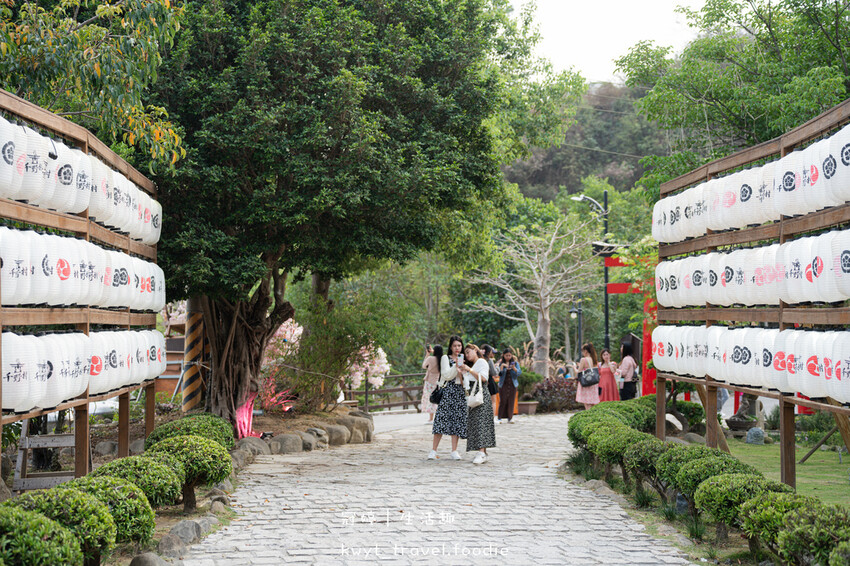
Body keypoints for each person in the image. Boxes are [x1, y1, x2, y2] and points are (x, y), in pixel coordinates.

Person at [429, 336, 468, 460]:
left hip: (459, 391)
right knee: (441, 419)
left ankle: (454, 450)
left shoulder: (463, 359)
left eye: (459, 346)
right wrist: (455, 367)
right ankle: (433, 450)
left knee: (457, 420)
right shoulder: (446, 358)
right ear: (451, 347)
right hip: (448, 391)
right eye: (455, 346)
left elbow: (464, 380)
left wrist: (462, 372)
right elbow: (446, 375)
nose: (457, 348)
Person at [460, 344, 495, 464]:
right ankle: (482, 452)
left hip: (481, 395)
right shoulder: (474, 365)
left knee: (481, 423)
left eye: (468, 352)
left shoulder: (481, 362)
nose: (467, 355)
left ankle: (481, 452)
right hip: (474, 395)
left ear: (475, 350)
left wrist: (469, 370)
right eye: (466, 353)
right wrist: (463, 371)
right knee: (476, 422)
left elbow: (484, 378)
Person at [497, 349, 520, 423]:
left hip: (513, 384)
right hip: (503, 384)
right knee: (503, 400)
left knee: (511, 400)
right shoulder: (501, 363)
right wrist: (502, 368)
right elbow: (499, 374)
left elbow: (519, 373)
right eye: (506, 355)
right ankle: (499, 417)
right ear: (503, 355)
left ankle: (510, 417)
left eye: (509, 355)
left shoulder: (515, 363)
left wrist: (514, 368)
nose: (508, 357)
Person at [420, 345, 442, 422]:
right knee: (438, 398)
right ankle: (438, 417)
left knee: (430, 398)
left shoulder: (430, 358)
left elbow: (424, 366)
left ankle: (431, 418)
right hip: (438, 381)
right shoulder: (442, 359)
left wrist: (428, 354)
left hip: (429, 381)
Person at [576, 342, 600, 409]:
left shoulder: (583, 359)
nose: (583, 353)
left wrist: (574, 368)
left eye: (583, 351)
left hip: (586, 383)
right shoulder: (594, 359)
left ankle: (589, 417)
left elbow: (579, 372)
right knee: (592, 404)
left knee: (587, 403)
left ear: (586, 351)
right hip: (593, 383)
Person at [482, 344, 499, 417]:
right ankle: (492, 418)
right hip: (489, 381)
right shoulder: (489, 361)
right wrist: (498, 367)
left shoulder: (479, 359)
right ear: (489, 352)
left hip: (481, 381)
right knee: (493, 401)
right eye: (492, 352)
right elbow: (494, 373)